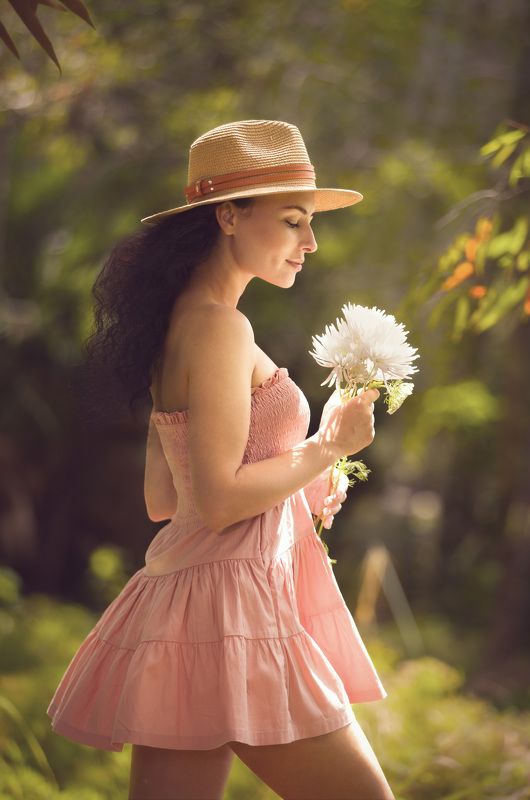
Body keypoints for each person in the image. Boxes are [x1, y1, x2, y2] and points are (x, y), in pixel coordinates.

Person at [47, 119, 395, 800]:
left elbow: (165, 498)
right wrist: (328, 445)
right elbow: (219, 500)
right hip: (231, 608)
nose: (311, 242)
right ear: (229, 216)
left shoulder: (184, 323)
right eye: (293, 221)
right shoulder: (219, 328)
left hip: (191, 604)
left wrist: (303, 476)